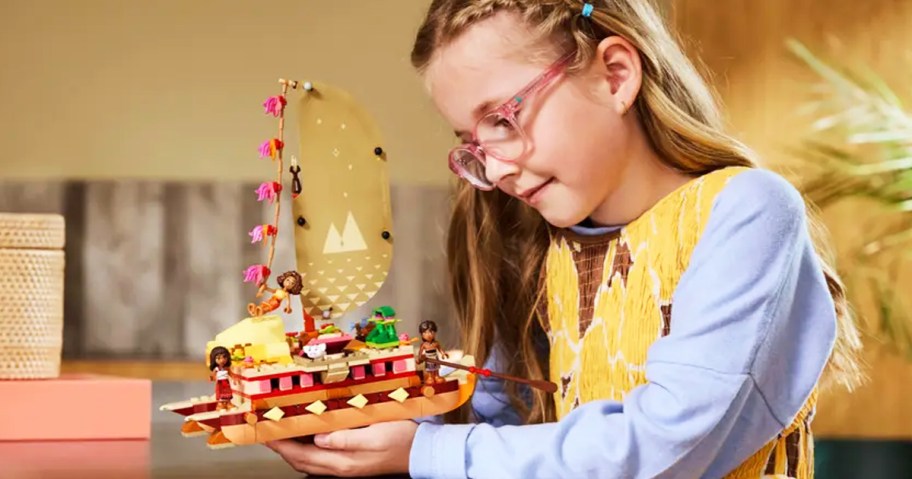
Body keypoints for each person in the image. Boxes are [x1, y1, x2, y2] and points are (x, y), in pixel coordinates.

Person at [266, 1, 865, 477]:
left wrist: (424, 454)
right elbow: (507, 438)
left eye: (502, 118)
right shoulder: (531, 243)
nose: (493, 169)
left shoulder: (746, 211)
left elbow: (665, 446)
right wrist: (357, 434)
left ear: (615, 74)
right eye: (473, 141)